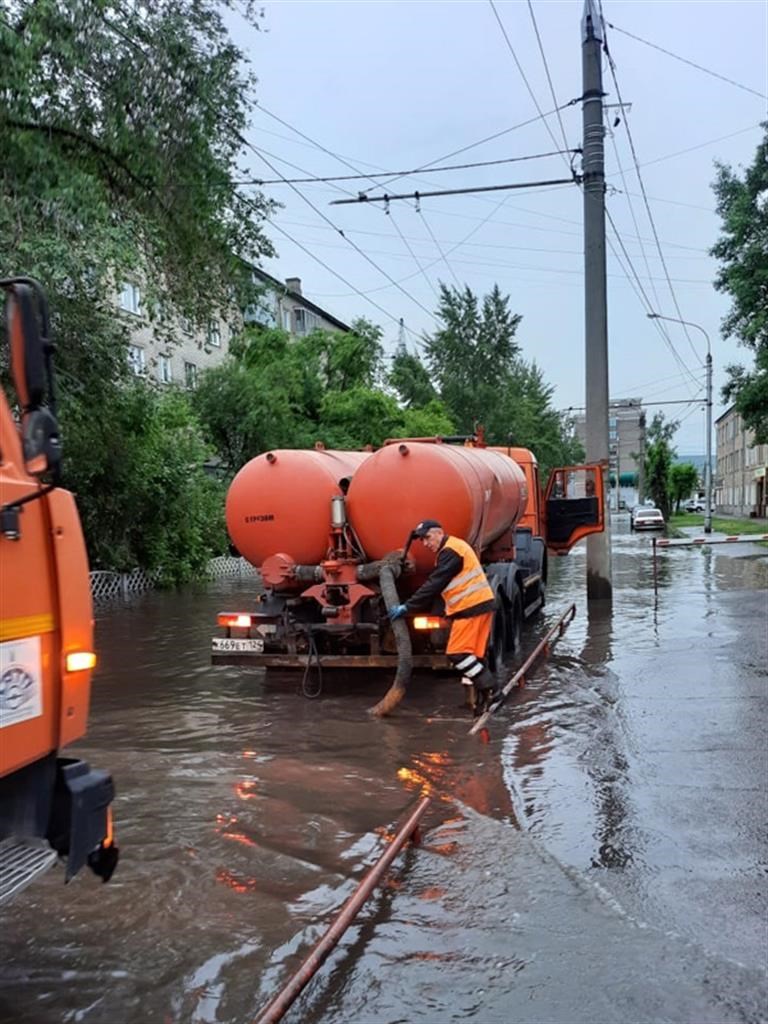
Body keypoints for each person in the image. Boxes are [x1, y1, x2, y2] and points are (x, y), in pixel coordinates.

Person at [388, 519, 501, 713]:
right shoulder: (451, 549)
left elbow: (435, 584)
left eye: (428, 538)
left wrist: (408, 607)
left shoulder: (450, 551)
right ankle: (483, 701)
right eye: (422, 540)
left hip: (470, 608)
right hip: (479, 606)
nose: (425, 543)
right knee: (474, 657)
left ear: (439, 533)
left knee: (457, 654)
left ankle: (491, 688)